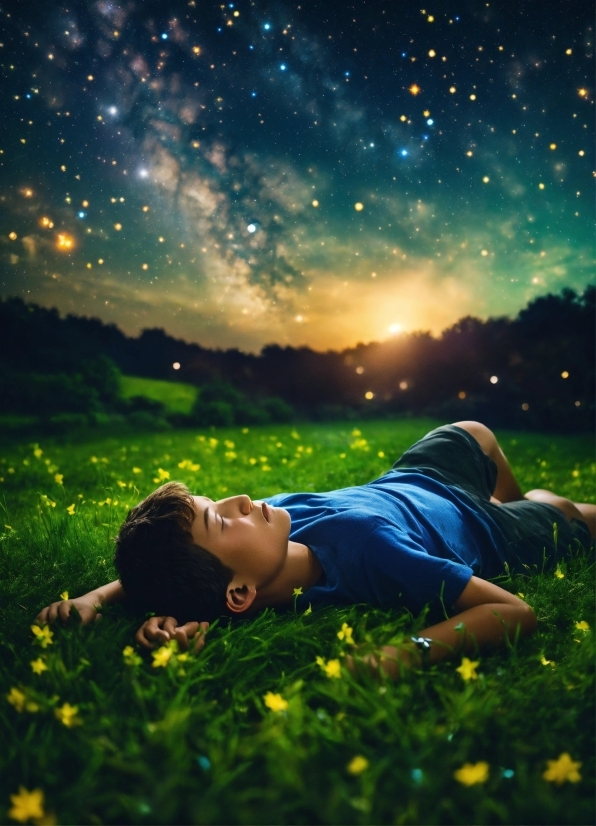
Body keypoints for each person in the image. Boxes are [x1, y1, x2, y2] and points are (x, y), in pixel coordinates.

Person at [36, 421, 595, 679]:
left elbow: (176, 570)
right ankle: (533, 509)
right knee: (566, 516)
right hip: (481, 530)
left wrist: (96, 597)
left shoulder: (266, 530)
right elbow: (514, 611)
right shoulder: (370, 549)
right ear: (239, 593)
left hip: (417, 476)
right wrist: (403, 652)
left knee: (470, 430)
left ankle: (519, 499)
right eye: (220, 518)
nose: (241, 498)